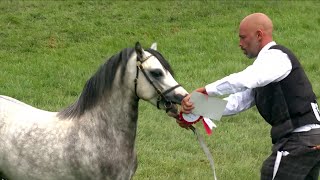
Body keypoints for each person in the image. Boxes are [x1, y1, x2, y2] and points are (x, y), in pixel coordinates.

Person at [179, 13, 320, 180]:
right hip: (308, 139)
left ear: (259, 35)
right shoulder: (265, 69)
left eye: (243, 37)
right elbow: (238, 102)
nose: (239, 44)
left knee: (270, 173)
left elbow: (247, 78)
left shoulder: (276, 58)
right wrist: (199, 106)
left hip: (300, 138)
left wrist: (207, 90)